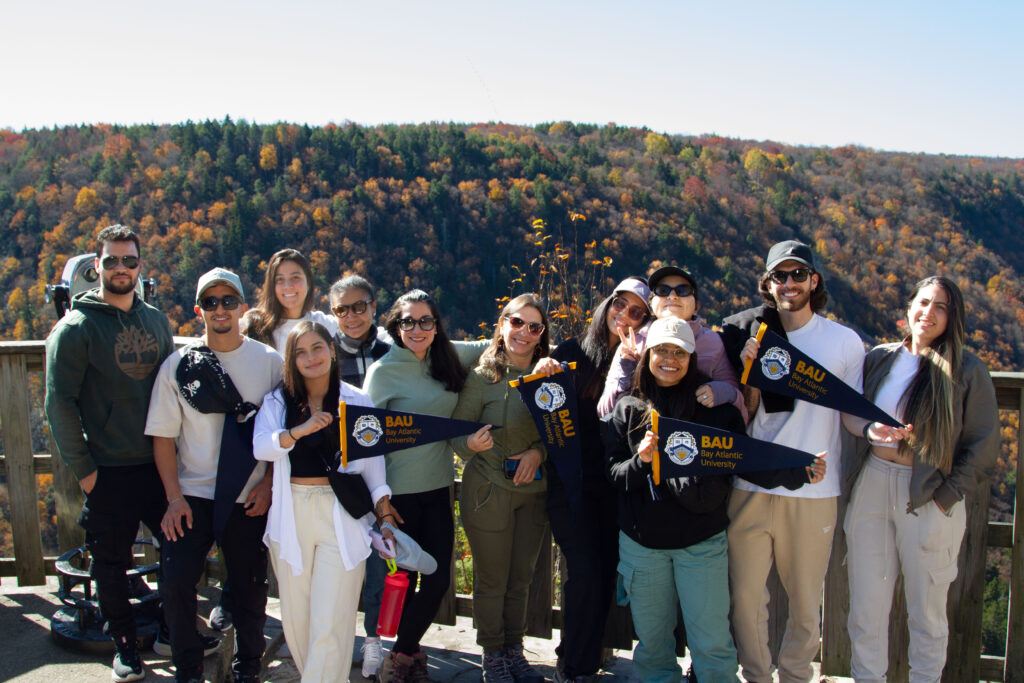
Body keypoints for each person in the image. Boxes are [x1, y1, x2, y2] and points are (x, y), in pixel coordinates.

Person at [606, 317, 825, 682]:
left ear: (692, 357)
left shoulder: (715, 411)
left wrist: (798, 470)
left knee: (711, 644)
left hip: (700, 543)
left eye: (679, 352)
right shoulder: (629, 409)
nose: (670, 360)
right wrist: (641, 461)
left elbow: (746, 461)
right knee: (653, 645)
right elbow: (614, 474)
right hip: (643, 545)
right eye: (661, 351)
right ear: (648, 355)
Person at [720, 240, 864, 683]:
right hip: (751, 485)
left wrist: (883, 431)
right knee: (746, 600)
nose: (789, 283)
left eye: (798, 274)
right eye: (779, 276)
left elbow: (853, 415)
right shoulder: (749, 334)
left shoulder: (843, 341)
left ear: (813, 281)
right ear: (768, 284)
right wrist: (748, 374)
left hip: (814, 489)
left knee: (804, 603)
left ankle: (797, 676)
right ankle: (756, 675)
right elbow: (743, 412)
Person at [844, 276, 998, 683]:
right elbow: (851, 412)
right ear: (909, 307)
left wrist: (947, 497)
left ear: (952, 317)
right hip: (874, 483)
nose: (928, 312)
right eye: (923, 302)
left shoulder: (967, 370)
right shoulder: (881, 358)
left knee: (927, 613)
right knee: (865, 608)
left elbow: (984, 445)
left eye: (940, 306)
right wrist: (870, 430)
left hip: (929, 495)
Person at [44, 224, 175, 682]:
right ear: (97, 265)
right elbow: (59, 403)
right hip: (107, 469)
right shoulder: (75, 328)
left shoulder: (156, 321)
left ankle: (171, 629)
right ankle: (124, 645)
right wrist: (85, 471)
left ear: (140, 266)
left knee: (179, 550)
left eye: (130, 260)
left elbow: (171, 390)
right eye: (112, 260)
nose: (121, 268)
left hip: (159, 463)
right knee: (110, 562)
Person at [146, 268, 282, 683]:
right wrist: (173, 498)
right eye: (210, 302)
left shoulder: (270, 363)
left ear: (242, 307)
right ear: (198, 310)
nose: (219, 309)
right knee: (175, 582)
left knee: (250, 586)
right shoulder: (179, 366)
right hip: (193, 494)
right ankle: (187, 669)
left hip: (248, 493)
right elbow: (163, 438)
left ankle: (248, 667)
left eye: (228, 301)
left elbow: (283, 432)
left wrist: (269, 484)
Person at [253, 320, 400, 681]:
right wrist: (297, 432)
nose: (311, 358)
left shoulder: (356, 400)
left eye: (317, 347)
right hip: (292, 514)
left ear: (332, 351)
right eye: (300, 352)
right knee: (299, 621)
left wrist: (384, 515)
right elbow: (261, 446)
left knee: (331, 619)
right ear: (291, 360)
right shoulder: (278, 401)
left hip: (342, 514)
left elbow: (374, 467)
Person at [364, 289, 488, 682]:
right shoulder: (383, 372)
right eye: (408, 321)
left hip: (437, 489)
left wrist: (546, 351)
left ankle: (401, 655)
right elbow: (366, 441)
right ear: (395, 326)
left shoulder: (447, 356)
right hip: (397, 496)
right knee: (407, 579)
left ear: (436, 326)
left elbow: (496, 343)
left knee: (436, 580)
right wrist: (381, 505)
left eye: (426, 321)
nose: (417, 329)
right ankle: (407, 657)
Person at [533, 277, 651, 683]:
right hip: (572, 484)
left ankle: (580, 654)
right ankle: (575, 667)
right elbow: (542, 406)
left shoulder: (642, 361)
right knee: (584, 573)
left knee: (603, 574)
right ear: (607, 304)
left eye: (637, 312)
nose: (625, 315)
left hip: (615, 486)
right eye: (620, 304)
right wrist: (542, 371)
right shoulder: (573, 352)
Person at [452, 294, 551, 682]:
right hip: (488, 492)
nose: (524, 332)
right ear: (502, 324)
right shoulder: (483, 378)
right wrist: (469, 444)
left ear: (542, 334)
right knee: (493, 580)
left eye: (534, 326)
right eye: (517, 322)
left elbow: (563, 434)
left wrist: (538, 454)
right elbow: (457, 434)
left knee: (520, 579)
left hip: (533, 495)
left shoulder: (549, 378)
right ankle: (493, 655)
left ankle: (513, 651)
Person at [328, 274, 394, 677]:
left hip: (382, 471)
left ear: (373, 307)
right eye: (342, 310)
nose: (351, 316)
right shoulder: (326, 353)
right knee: (336, 564)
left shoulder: (392, 351)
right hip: (338, 477)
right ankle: (335, 640)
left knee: (377, 564)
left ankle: (373, 639)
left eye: (359, 307)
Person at [598, 265, 747, 422]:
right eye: (663, 290)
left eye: (683, 290)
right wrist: (626, 376)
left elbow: (741, 411)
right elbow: (604, 413)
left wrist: (722, 391)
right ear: (651, 305)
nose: (673, 296)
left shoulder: (712, 342)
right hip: (643, 432)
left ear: (696, 307)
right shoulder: (634, 341)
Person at [243, 248, 339, 351]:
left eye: (295, 277)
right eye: (280, 279)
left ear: (308, 282)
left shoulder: (325, 324)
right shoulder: (255, 327)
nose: (288, 286)